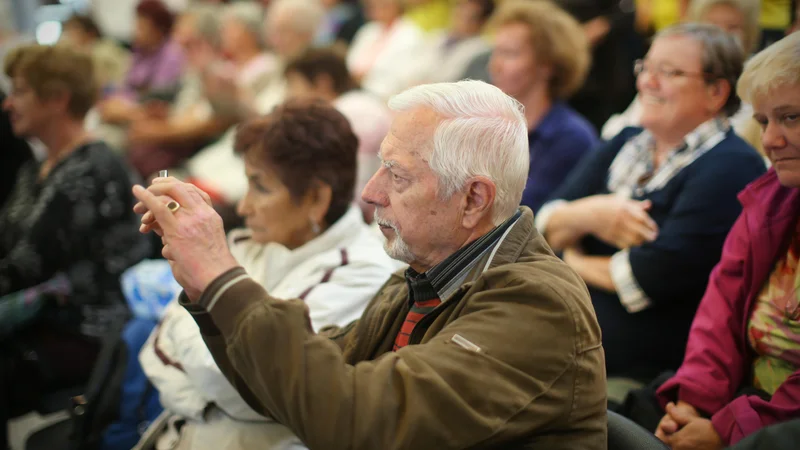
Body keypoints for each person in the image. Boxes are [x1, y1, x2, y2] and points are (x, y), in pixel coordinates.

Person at [132, 80, 607, 449]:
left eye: (397, 175)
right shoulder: (420, 280)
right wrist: (203, 285)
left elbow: (360, 423)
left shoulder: (539, 304)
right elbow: (292, 391)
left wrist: (221, 274)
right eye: (379, 167)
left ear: (473, 199)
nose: (370, 192)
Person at [136, 100, 398, 450]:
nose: (244, 207)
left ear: (316, 198)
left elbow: (249, 387)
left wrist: (200, 382)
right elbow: (153, 351)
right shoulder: (256, 242)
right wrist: (211, 396)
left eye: (260, 187)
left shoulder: (364, 273)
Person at [535, 24, 766, 381]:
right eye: (645, 68)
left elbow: (644, 279)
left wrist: (568, 256)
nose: (647, 83)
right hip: (562, 339)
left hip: (638, 373)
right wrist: (594, 214)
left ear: (716, 91)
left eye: (668, 72)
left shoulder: (732, 165)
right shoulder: (627, 140)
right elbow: (537, 227)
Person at [623, 31, 800, 450]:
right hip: (733, 399)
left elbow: (651, 273)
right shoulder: (772, 195)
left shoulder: (732, 167)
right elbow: (719, 310)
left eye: (790, 117)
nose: (771, 140)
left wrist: (727, 429)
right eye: (763, 121)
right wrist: (695, 406)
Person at [0, 44, 149, 448]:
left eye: (21, 91)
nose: (9, 103)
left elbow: (21, 268)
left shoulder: (89, 171)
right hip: (47, 315)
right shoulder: (41, 165)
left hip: (86, 326)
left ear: (58, 99)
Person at [488, 0, 599, 214]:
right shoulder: (489, 125)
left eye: (510, 53)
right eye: (496, 52)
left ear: (547, 66)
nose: (495, 65)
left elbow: (521, 213)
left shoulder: (571, 136)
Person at [601, 0, 762, 141]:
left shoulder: (758, 81)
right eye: (711, 25)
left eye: (732, 28)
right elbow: (614, 131)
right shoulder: (641, 139)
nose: (720, 34)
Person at [284, 48, 392, 221]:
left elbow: (358, 192)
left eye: (293, 84)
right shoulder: (349, 109)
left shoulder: (356, 113)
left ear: (322, 82)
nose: (288, 95)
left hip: (372, 221)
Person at [99, 0, 185, 126]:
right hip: (126, 114)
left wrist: (122, 109)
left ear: (158, 29)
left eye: (141, 27)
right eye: (136, 25)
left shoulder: (171, 55)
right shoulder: (138, 52)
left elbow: (156, 101)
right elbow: (124, 87)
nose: (136, 32)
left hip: (145, 123)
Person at [346, 0, 427, 100]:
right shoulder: (367, 30)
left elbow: (405, 75)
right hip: (356, 89)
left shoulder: (411, 33)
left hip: (386, 94)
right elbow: (351, 61)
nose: (379, 8)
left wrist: (368, 75)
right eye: (374, 5)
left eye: (384, 5)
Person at [411, 0, 494, 85]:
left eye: (469, 18)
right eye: (460, 14)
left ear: (482, 22)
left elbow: (454, 80)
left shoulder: (480, 49)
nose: (461, 21)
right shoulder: (436, 36)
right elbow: (413, 67)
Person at [60, 14, 131, 92]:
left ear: (90, 33)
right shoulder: (73, 52)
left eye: (75, 30)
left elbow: (123, 73)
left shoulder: (104, 49)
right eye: (68, 30)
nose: (70, 35)